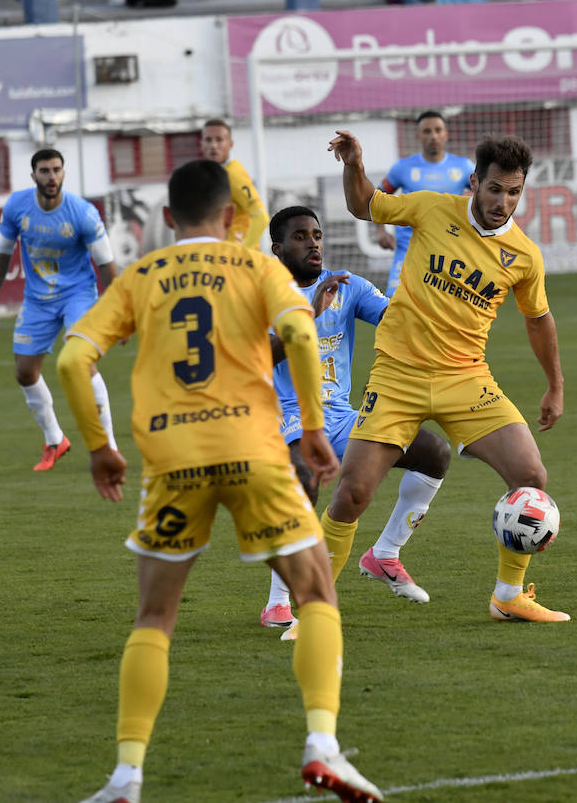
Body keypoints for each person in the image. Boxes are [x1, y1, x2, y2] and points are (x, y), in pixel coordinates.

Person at [58, 159, 384, 803]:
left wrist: (98, 448)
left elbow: (72, 358)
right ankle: (322, 746)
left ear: (169, 219)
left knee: (154, 618)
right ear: (231, 219)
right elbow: (297, 329)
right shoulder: (258, 266)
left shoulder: (141, 276)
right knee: (317, 594)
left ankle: (126, 777)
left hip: (173, 464)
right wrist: (315, 427)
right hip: (256, 453)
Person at [324, 129, 569, 624]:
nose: (504, 202)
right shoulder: (432, 208)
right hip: (397, 375)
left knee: (531, 478)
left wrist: (555, 385)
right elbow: (363, 205)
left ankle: (508, 595)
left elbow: (539, 319)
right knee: (352, 493)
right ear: (475, 182)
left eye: (515, 191)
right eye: (496, 188)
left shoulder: (524, 256)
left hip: (465, 379)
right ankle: (313, 611)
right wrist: (353, 163)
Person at [261, 206, 452, 630]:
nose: (312, 242)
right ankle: (277, 601)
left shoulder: (346, 286)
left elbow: (395, 321)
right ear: (277, 249)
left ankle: (384, 553)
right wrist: (307, 313)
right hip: (285, 417)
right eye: (299, 237)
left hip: (342, 417)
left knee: (433, 453)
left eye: (316, 234)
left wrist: (427, 297)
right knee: (303, 480)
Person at [0, 149, 119, 471]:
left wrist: (117, 316)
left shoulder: (83, 213)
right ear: (34, 176)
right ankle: (55, 440)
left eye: (57, 170)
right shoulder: (18, 206)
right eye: (45, 171)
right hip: (38, 299)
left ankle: (109, 446)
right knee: (24, 372)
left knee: (80, 363)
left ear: (64, 174)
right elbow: (2, 252)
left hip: (78, 295)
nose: (52, 176)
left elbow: (107, 266)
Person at [375, 110, 475, 295]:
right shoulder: (402, 168)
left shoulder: (464, 167)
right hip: (408, 252)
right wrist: (380, 230)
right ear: (418, 136)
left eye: (438, 130)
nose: (433, 136)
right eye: (427, 131)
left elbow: (485, 196)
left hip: (450, 254)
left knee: (449, 312)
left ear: (446, 134)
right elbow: (378, 195)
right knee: (392, 308)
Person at [200, 119, 268, 250]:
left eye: (219, 140)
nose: (213, 145)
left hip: (236, 259)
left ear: (230, 144)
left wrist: (242, 253)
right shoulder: (211, 175)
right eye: (208, 140)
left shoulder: (233, 174)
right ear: (201, 144)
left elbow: (261, 217)